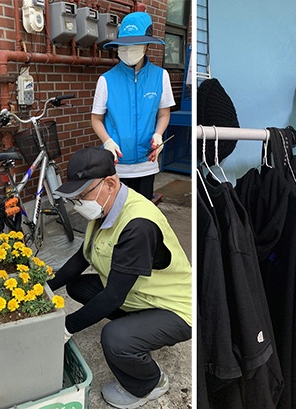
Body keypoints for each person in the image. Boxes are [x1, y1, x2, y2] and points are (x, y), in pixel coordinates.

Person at [48, 146, 191, 409]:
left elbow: (114, 295)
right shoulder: (105, 208)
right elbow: (82, 258)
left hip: (176, 308)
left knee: (115, 338)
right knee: (78, 286)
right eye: (74, 198)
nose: (77, 204)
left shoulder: (138, 224)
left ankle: (150, 383)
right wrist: (45, 287)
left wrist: (66, 327)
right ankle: (139, 328)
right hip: (141, 294)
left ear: (110, 183)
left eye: (82, 196)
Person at [92, 11, 175, 201]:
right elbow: (96, 119)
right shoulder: (106, 80)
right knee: (116, 217)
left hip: (147, 162)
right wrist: (108, 142)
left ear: (146, 46)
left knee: (142, 216)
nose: (129, 49)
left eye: (135, 44)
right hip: (116, 164)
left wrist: (158, 135)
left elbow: (164, 114)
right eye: (124, 45)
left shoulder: (160, 76)